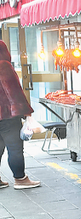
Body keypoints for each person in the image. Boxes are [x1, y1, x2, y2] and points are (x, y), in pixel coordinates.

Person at [0, 41, 41, 189]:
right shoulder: (3, 65)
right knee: (15, 148)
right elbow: (13, 91)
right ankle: (20, 179)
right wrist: (26, 111)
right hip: (7, 115)